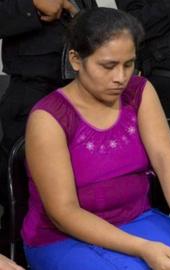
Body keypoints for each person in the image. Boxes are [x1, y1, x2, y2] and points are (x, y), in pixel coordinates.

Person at [22, 8, 170, 270]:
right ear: (76, 60)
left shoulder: (139, 92)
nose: (120, 78)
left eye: (129, 64)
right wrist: (142, 247)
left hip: (136, 218)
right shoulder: (49, 118)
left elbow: (167, 162)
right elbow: (64, 213)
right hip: (61, 238)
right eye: (108, 65)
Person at [0, 0, 95, 213]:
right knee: (21, 179)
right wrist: (31, 5)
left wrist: (74, 11)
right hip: (31, 89)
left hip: (82, 88)